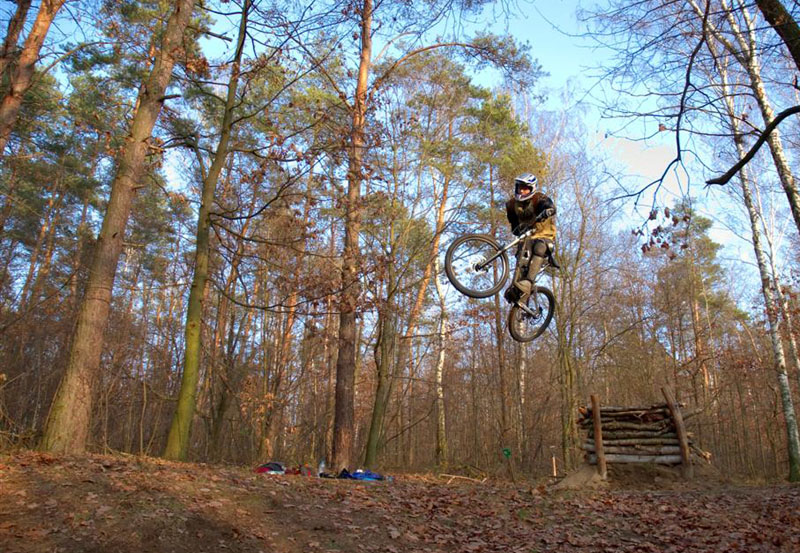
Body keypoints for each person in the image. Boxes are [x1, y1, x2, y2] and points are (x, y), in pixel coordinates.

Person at [504, 173, 556, 303]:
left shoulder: (539, 198)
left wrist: (548, 211)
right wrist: (520, 229)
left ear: (532, 188)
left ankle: (528, 282)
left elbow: (549, 206)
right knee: (521, 257)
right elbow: (514, 227)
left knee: (539, 247)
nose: (522, 191)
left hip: (544, 236)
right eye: (520, 188)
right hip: (527, 238)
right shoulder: (511, 204)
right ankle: (517, 287)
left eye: (525, 189)